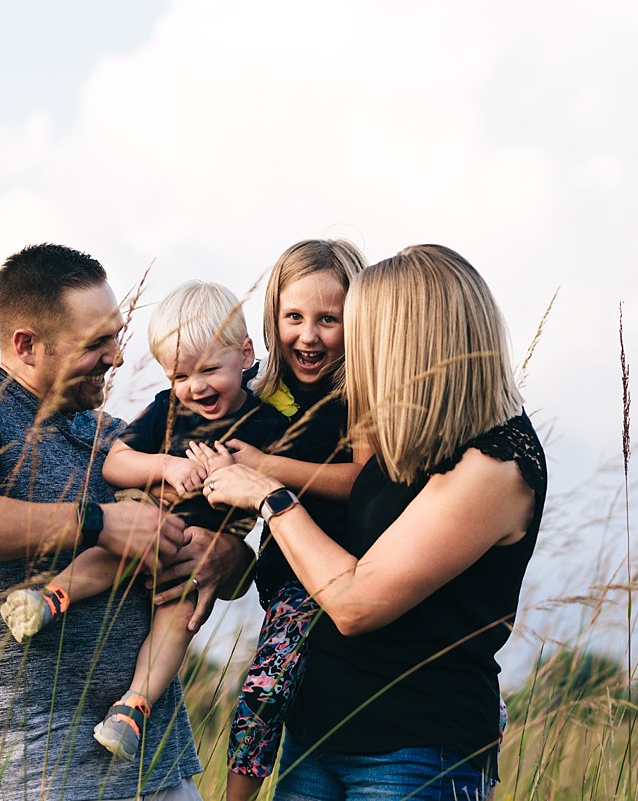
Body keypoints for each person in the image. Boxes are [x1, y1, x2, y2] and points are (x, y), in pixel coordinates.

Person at [0, 244, 253, 801]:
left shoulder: (112, 433)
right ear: (27, 345)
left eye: (116, 335)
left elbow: (224, 561)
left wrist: (226, 557)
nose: (116, 356)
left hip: (157, 768)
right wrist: (99, 524)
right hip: (34, 774)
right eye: (96, 343)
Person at [197, 244, 547, 800]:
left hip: (412, 753)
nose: (352, 347)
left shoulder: (495, 463)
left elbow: (357, 603)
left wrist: (269, 494)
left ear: (415, 336)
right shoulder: (405, 425)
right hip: (316, 735)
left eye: (364, 329)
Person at [0, 280, 288, 764]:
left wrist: (240, 472)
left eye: (210, 370)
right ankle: (51, 597)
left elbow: (281, 492)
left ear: (244, 354)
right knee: (114, 549)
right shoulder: (167, 410)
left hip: (204, 545)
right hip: (149, 523)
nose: (195, 387)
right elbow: (116, 464)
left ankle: (132, 709)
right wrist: (168, 467)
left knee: (179, 622)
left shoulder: (267, 426)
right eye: (179, 376)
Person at [193, 239, 369, 801]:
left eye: (328, 319)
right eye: (294, 317)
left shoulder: (361, 393)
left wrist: (268, 469)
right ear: (273, 320)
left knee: (264, 688)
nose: (309, 336)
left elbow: (359, 478)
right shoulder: (263, 390)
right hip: (280, 573)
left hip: (333, 568)